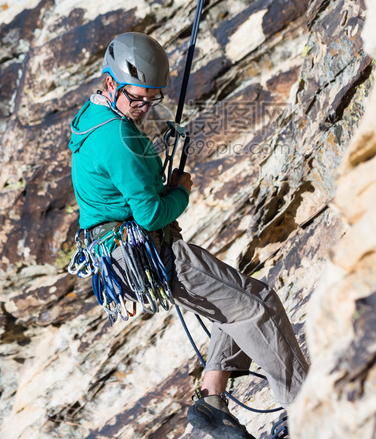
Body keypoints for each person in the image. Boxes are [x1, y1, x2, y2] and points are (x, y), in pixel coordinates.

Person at [69, 32, 309, 439]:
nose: (144, 108)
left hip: (125, 252)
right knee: (255, 309)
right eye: (137, 98)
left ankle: (213, 403)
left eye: (152, 98)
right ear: (110, 83)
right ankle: (310, 406)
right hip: (149, 252)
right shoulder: (119, 137)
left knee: (242, 299)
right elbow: (149, 214)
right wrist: (182, 189)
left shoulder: (92, 118)